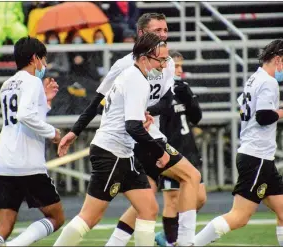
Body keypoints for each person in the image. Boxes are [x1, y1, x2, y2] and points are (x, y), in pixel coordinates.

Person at [58, 13, 201, 247]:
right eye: (159, 31)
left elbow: (165, 103)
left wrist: (148, 112)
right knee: (188, 178)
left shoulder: (161, 62)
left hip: (138, 138)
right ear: (143, 36)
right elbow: (101, 103)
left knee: (147, 206)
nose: (164, 35)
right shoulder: (127, 69)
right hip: (127, 142)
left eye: (166, 30)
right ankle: (186, 242)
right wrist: (76, 130)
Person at [53, 32, 170, 247]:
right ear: (144, 58)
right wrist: (159, 152)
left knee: (148, 209)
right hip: (112, 153)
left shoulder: (130, 74)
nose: (164, 65)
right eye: (160, 59)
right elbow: (131, 126)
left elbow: (124, 115)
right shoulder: (137, 79)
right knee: (90, 216)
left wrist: (140, 116)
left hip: (122, 154)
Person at [194, 39, 283, 246]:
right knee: (239, 217)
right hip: (257, 157)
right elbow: (263, 117)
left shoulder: (254, 79)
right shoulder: (269, 82)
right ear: (277, 60)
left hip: (260, 157)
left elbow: (241, 106)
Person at [0, 37, 64, 246]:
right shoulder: (33, 81)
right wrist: (52, 132)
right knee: (56, 217)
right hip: (27, 163)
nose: (44, 66)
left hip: (4, 162)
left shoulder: (7, 84)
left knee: (4, 224)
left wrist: (44, 102)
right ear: (35, 58)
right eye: (44, 60)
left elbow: (23, 115)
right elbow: (25, 116)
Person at [155, 50, 207, 246]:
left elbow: (196, 118)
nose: (180, 70)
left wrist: (189, 97)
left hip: (189, 149)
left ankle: (168, 233)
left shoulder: (182, 88)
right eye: (176, 66)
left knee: (200, 198)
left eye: (181, 66)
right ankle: (171, 241)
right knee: (173, 201)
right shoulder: (159, 90)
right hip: (170, 151)